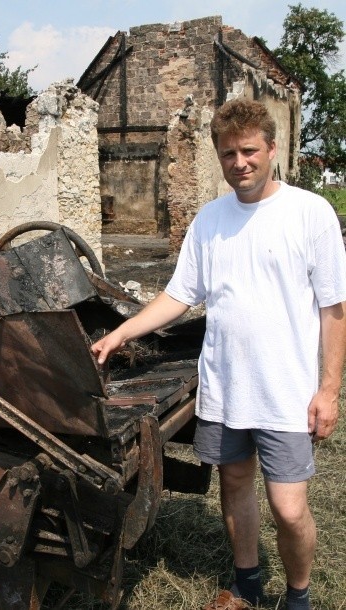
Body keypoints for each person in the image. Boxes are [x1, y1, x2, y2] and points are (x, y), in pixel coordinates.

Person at [91, 98, 346, 610]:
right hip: (227, 386)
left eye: (250, 151)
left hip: (286, 392)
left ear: (272, 149)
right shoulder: (210, 220)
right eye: (229, 154)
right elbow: (178, 296)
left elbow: (333, 309)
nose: (240, 163)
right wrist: (122, 333)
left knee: (290, 508)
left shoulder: (309, 213)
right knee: (234, 486)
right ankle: (246, 585)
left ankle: (299, 598)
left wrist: (329, 388)